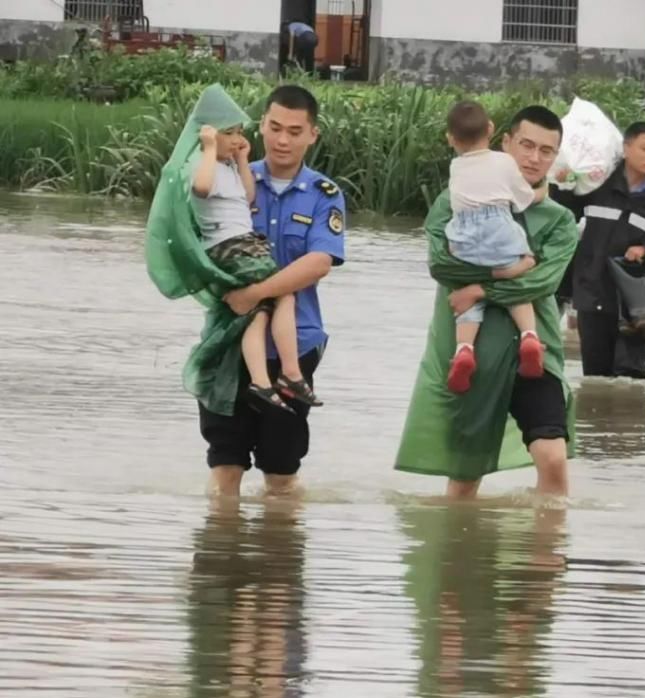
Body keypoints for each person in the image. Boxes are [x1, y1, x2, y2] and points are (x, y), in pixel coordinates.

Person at [146, 84, 345, 499]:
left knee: (281, 471)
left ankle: (278, 557)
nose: (282, 139)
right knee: (225, 462)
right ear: (261, 127)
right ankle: (221, 551)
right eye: (274, 127)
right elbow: (185, 238)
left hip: (294, 345)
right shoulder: (229, 176)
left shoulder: (325, 194)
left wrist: (255, 295)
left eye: (294, 130)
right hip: (227, 343)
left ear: (313, 135)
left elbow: (319, 263)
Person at [394, 106, 578, 499]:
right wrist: (505, 275)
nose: (534, 158)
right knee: (464, 477)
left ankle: (548, 555)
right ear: (504, 142)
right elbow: (441, 265)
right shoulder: (455, 200)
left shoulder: (559, 220)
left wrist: (478, 289)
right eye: (526, 145)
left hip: (534, 351)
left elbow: (544, 281)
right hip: (471, 356)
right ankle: (462, 552)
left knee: (553, 458)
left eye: (546, 151)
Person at [191, 117, 322, 414]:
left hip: (244, 243)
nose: (237, 138)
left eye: (239, 133)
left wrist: (240, 158)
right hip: (232, 246)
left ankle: (262, 381)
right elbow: (201, 188)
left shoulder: (228, 168)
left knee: (259, 310)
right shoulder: (205, 164)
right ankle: (290, 372)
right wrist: (210, 148)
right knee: (284, 293)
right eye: (229, 134)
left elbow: (248, 196)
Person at [562, 122, 645, 379]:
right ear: (625, 149)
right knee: (596, 378)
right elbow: (562, 217)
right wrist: (563, 184)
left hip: (637, 306)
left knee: (629, 377)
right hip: (593, 295)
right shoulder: (595, 188)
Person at [443, 100, 548, 394]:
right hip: (497, 227)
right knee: (519, 285)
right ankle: (529, 336)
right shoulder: (503, 162)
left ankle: (464, 349)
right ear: (491, 129)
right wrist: (543, 192)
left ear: (450, 139)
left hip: (461, 237)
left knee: (469, 294)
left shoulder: (456, 166)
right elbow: (523, 199)